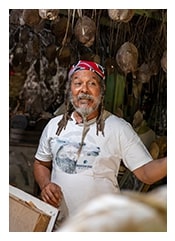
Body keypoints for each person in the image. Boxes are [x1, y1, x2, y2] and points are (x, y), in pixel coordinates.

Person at [33, 60, 167, 226]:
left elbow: (146, 174)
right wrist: (45, 184)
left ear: (101, 92)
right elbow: (41, 163)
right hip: (59, 227)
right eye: (78, 83)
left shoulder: (118, 128)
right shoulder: (54, 126)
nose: (84, 89)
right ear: (70, 91)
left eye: (92, 84)